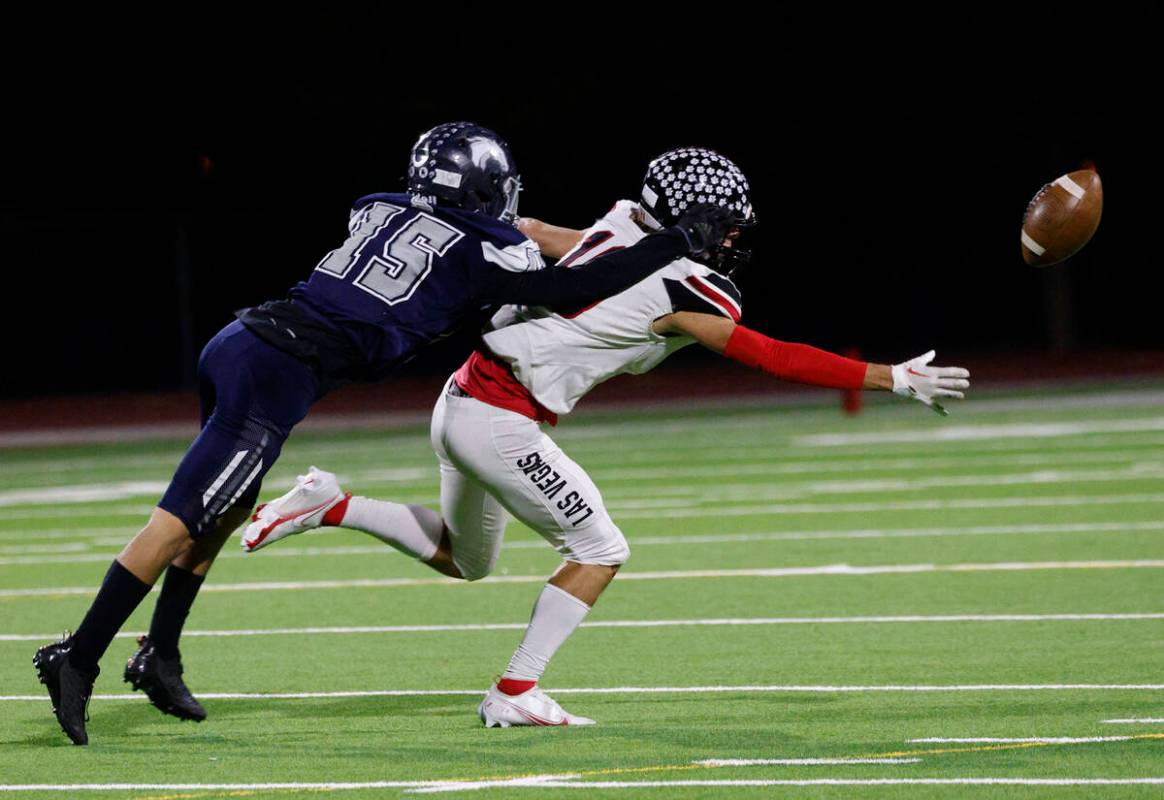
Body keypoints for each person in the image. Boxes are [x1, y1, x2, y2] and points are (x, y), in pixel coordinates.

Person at [32, 126, 735, 745]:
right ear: (490, 188)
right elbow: (581, 287)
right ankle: (80, 657)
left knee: (218, 515)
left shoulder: (379, 205)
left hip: (244, 343)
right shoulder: (485, 245)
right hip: (275, 373)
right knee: (178, 521)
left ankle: (161, 654)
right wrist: (673, 240)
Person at [243, 147, 970, 727]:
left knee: (465, 561)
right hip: (499, 414)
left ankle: (330, 503)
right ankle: (514, 690)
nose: (736, 241)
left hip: (462, 395)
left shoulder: (620, 226)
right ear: (699, 223)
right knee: (601, 549)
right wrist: (891, 378)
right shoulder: (690, 290)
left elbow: (536, 236)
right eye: (729, 226)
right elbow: (771, 354)